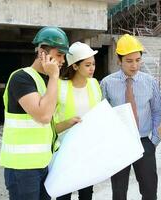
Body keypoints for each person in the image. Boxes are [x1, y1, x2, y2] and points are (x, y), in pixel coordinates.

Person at [0, 26, 70, 200]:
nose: (62, 60)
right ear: (41, 53)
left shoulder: (44, 81)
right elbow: (44, 116)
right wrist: (54, 77)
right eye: (59, 54)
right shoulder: (21, 78)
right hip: (22, 169)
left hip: (42, 164)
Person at [100, 34, 161, 200]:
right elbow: (103, 115)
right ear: (119, 60)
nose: (135, 65)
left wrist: (154, 141)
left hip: (144, 142)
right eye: (129, 61)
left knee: (149, 191)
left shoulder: (150, 82)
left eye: (138, 60)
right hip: (119, 143)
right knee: (119, 193)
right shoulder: (107, 83)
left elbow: (157, 111)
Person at [54, 42, 102, 200]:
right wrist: (69, 122)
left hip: (87, 149)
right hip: (64, 150)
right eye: (87, 65)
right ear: (74, 66)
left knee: (87, 193)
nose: (92, 68)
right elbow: (50, 125)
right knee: (63, 193)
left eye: (93, 64)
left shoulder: (95, 85)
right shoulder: (59, 87)